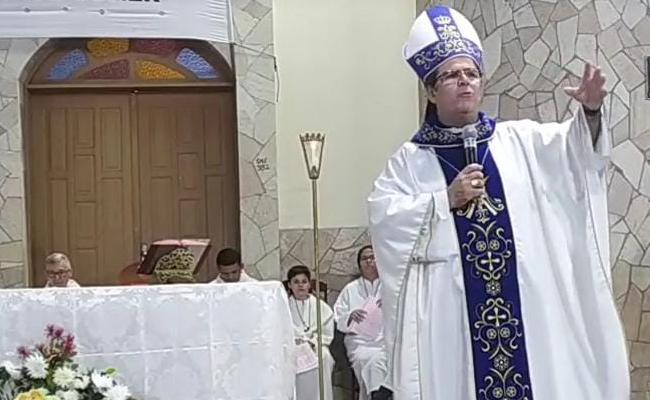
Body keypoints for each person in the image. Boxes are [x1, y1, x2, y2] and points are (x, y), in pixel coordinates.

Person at [367, 5, 629, 400]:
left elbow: (576, 157)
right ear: (432, 90)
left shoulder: (519, 141)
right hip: (453, 325)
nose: (465, 82)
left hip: (526, 316)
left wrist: (590, 110)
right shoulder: (409, 162)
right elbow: (385, 221)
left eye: (471, 73)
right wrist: (444, 201)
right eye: (452, 75)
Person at [333, 245, 390, 400]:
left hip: (385, 341)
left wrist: (389, 306)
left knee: (380, 360)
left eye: (372, 257)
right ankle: (378, 394)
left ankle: (376, 395)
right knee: (368, 360)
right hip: (359, 342)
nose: (369, 261)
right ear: (359, 264)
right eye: (364, 258)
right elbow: (338, 317)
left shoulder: (389, 287)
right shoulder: (350, 289)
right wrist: (350, 316)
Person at [287, 265, 334, 400]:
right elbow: (282, 330)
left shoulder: (321, 306)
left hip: (315, 345)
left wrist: (313, 342)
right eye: (296, 282)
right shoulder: (284, 306)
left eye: (304, 281)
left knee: (324, 356)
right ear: (290, 285)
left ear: (309, 284)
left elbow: (326, 332)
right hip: (293, 346)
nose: (300, 285)